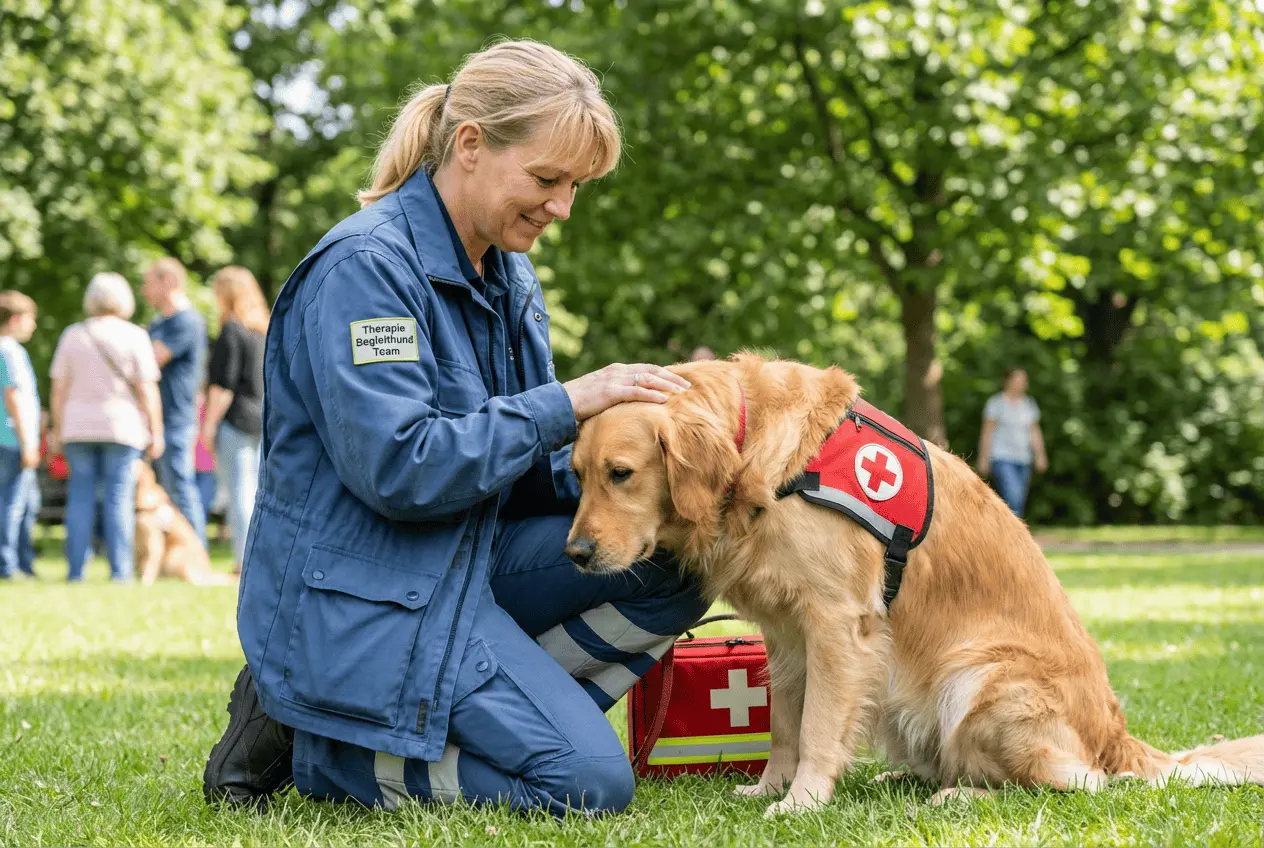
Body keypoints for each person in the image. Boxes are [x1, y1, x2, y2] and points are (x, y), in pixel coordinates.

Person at [202, 40, 708, 818]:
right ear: (469, 144)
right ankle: (324, 755)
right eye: (546, 179)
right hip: (373, 587)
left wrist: (634, 463)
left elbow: (529, 473)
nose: (562, 206)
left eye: (574, 186)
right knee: (586, 787)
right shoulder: (365, 269)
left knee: (679, 557)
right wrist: (567, 402)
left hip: (464, 562)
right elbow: (401, 471)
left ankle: (453, 715)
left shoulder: (508, 272)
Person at [49, 273, 164, 582]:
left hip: (78, 428)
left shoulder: (73, 335)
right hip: (122, 427)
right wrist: (157, 431)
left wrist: (57, 430)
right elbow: (147, 389)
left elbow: (58, 389)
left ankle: (76, 570)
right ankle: (120, 571)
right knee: (119, 498)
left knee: (80, 497)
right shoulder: (134, 336)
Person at [198, 266, 268, 573]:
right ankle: (260, 556)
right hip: (263, 419)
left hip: (236, 420)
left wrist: (208, 426)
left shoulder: (231, 330)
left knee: (239, 493)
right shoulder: (262, 330)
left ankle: (245, 560)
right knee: (257, 492)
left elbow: (223, 386)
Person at [141, 257, 207, 546]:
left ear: (167, 281)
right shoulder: (159, 322)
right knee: (167, 487)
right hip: (156, 417)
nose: (144, 290)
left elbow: (151, 359)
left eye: (148, 283)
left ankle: (196, 549)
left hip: (176, 418)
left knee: (180, 486)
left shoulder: (186, 320)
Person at [0, 291, 40, 580]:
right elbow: (12, 396)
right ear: (14, 319)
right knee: (11, 505)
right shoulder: (8, 350)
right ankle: (7, 564)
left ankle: (23, 562)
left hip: (10, 437)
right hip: (12, 438)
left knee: (26, 503)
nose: (33, 325)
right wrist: (28, 443)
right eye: (30, 319)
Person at [976, 367, 1048, 518]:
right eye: (1017, 380)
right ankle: (1013, 534)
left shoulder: (1028, 404)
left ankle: (1009, 533)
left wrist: (1040, 455)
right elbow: (987, 433)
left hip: (1023, 458)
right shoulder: (996, 403)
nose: (1021, 384)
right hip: (1002, 457)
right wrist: (983, 458)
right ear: (1007, 382)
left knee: (1018, 499)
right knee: (1012, 495)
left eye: (1023, 381)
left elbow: (1034, 432)